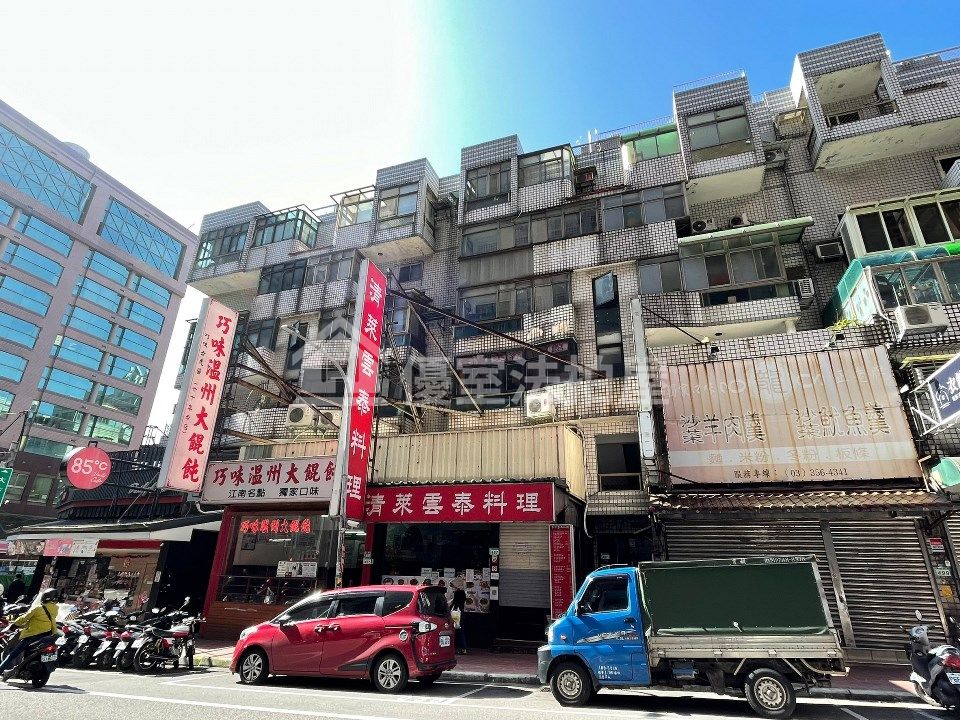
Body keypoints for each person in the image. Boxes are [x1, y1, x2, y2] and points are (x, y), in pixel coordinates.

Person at [0, 588, 60, 678]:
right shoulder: (55, 608)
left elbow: (24, 618)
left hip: (32, 635)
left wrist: (15, 624)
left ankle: (1, 669)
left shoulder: (38, 608)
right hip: (48, 635)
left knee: (12, 654)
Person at [450, 586, 467, 655]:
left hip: (455, 618)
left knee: (453, 633)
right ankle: (463, 648)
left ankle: (452, 648)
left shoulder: (454, 603)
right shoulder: (462, 602)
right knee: (461, 633)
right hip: (461, 617)